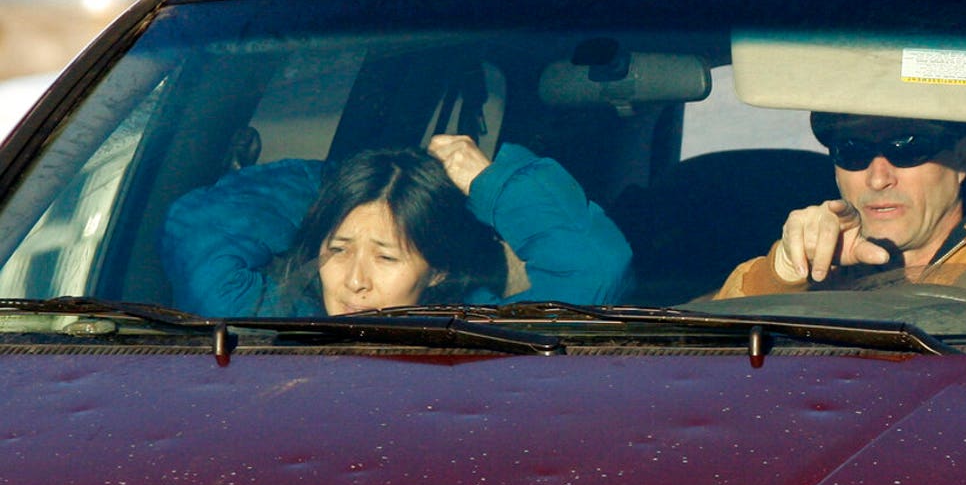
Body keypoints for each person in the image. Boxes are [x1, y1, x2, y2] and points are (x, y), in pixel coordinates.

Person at [160, 134, 633, 316]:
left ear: (439, 269)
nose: (355, 281)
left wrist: (491, 182)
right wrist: (356, 182)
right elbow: (197, 228)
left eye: (386, 257)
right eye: (339, 249)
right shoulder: (282, 326)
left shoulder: (484, 338)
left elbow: (592, 269)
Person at [713, 112, 966, 332]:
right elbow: (697, 357)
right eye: (853, 151)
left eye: (908, 148)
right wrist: (782, 273)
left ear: (962, 159)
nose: (878, 178)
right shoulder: (826, 259)